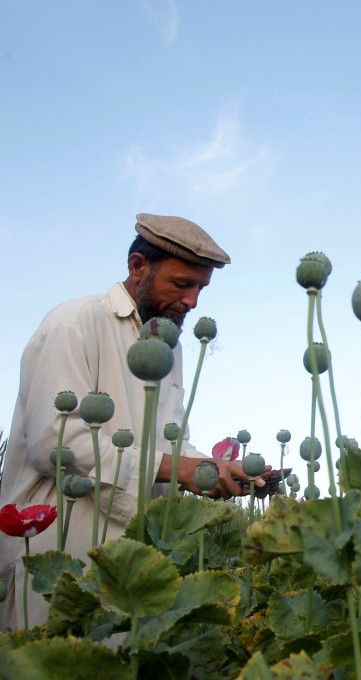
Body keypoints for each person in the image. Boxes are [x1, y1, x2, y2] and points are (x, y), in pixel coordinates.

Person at [0, 213, 265, 629]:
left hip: (136, 558)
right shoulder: (74, 323)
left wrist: (214, 471)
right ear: (138, 266)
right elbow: (55, 441)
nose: (193, 302)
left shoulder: (169, 344)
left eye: (201, 288)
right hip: (62, 547)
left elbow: (170, 442)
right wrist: (179, 468)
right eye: (182, 284)